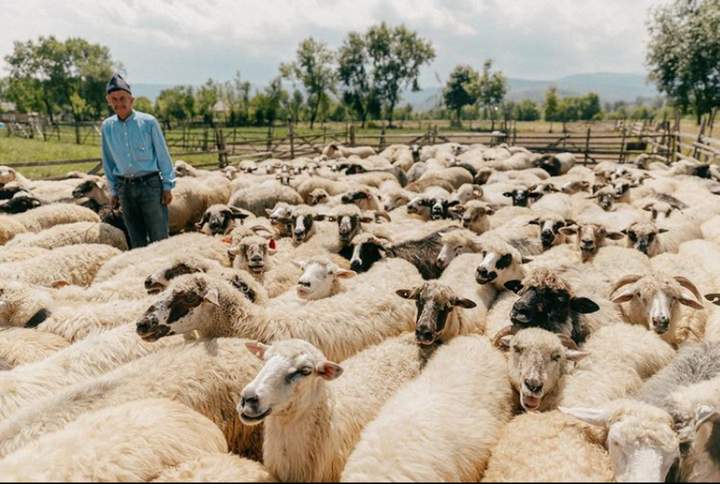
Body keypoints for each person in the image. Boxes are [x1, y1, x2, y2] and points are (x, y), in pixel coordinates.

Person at [101, 73, 176, 249]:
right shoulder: (107, 127)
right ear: (108, 101)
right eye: (114, 99)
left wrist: (167, 186)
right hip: (124, 188)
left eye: (122, 98)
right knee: (136, 239)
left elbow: (162, 154)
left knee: (159, 238)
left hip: (150, 185)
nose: (119, 103)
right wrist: (113, 191)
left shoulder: (148, 122)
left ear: (131, 100)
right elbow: (108, 160)